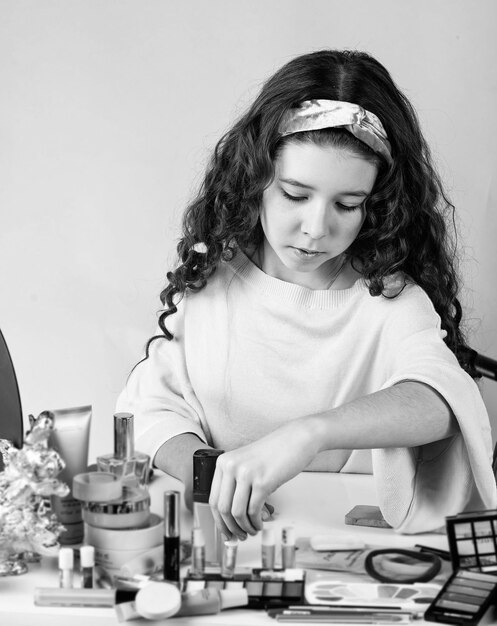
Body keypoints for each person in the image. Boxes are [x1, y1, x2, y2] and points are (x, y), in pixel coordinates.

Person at [117, 49, 497, 538]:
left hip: (343, 534)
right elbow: (151, 408)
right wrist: (218, 478)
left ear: (376, 204)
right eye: (295, 195)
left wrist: (307, 435)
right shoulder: (216, 276)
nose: (316, 228)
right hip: (236, 536)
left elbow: (444, 400)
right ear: (255, 179)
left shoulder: (388, 298)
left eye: (348, 203)